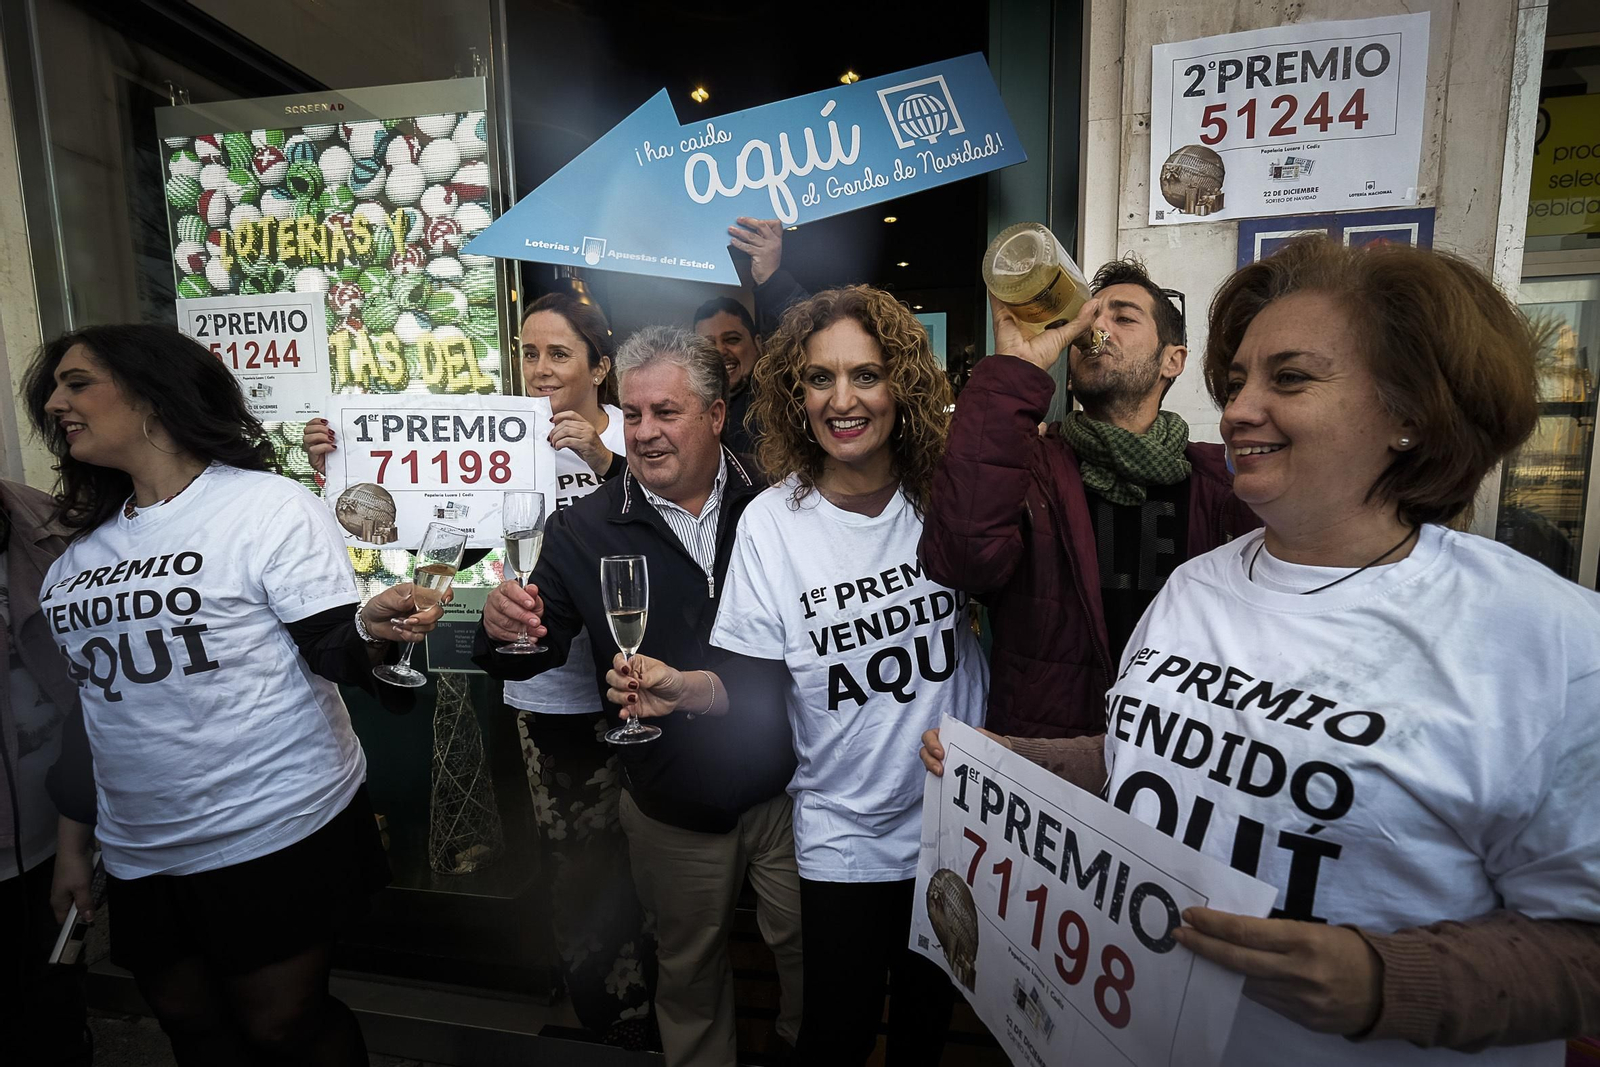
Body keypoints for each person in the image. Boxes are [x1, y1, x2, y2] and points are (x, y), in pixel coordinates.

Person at [922, 237, 1600, 1061]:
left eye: (1291, 377)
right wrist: (1026, 761)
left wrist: (1388, 979)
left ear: (1413, 411)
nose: (1241, 406)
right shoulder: (1197, 587)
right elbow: (1169, 753)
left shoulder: (1547, 639)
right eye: (1238, 378)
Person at [25, 324, 443, 1067]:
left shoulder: (263, 507)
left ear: (152, 392)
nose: (57, 402)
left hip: (273, 825)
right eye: (54, 389)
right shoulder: (75, 557)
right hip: (141, 848)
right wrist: (72, 849)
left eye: (77, 382)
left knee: (283, 1026)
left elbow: (331, 645)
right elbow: (95, 712)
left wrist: (374, 628)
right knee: (192, 1028)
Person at [606, 287, 987, 1066]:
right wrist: (683, 688)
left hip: (953, 827)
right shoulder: (773, 522)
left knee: (924, 1033)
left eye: (866, 375)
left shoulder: (946, 498)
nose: (842, 400)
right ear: (794, 393)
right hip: (841, 837)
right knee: (832, 1036)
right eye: (820, 378)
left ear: (901, 387)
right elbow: (750, 682)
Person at [308, 293, 656, 1045]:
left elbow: (685, 520)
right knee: (580, 861)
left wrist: (602, 457)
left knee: (662, 854)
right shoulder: (503, 438)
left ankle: (674, 991)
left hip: (649, 684)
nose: (539, 369)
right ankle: (610, 1014)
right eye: (528, 353)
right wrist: (336, 473)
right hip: (552, 690)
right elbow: (431, 531)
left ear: (602, 363)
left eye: (559, 354)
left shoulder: (643, 426)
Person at [475, 326, 800, 1067]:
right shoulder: (582, 527)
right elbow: (530, 649)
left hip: (789, 787)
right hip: (670, 802)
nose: (644, 432)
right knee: (687, 978)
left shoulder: (777, 506)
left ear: (717, 416)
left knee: (809, 961)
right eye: (632, 414)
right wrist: (501, 629)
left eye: (666, 412)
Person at [920, 254, 1258, 739]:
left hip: (1175, 761)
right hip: (1045, 777)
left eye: (1123, 317)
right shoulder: (1030, 467)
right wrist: (1015, 370)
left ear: (1173, 360)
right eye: (1088, 316)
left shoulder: (1222, 483)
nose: (1094, 328)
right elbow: (961, 562)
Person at [0, 480, 91, 1067]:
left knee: (53, 1008)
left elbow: (89, 692)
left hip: (48, 833)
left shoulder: (45, 520)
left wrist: (74, 839)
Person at [692, 295, 763, 456]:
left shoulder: (780, 405)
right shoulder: (689, 410)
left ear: (757, 344)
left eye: (732, 340)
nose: (720, 351)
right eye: (708, 345)